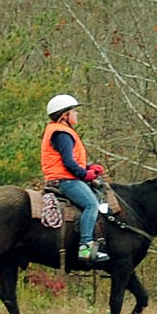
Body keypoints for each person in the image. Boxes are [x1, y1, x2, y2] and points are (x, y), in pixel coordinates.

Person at [40, 95, 110, 264]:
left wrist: (89, 168)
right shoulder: (62, 133)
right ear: (64, 116)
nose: (76, 114)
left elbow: (70, 161)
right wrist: (84, 174)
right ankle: (86, 248)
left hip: (65, 176)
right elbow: (68, 162)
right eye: (74, 111)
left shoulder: (59, 131)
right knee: (91, 204)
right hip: (65, 180)